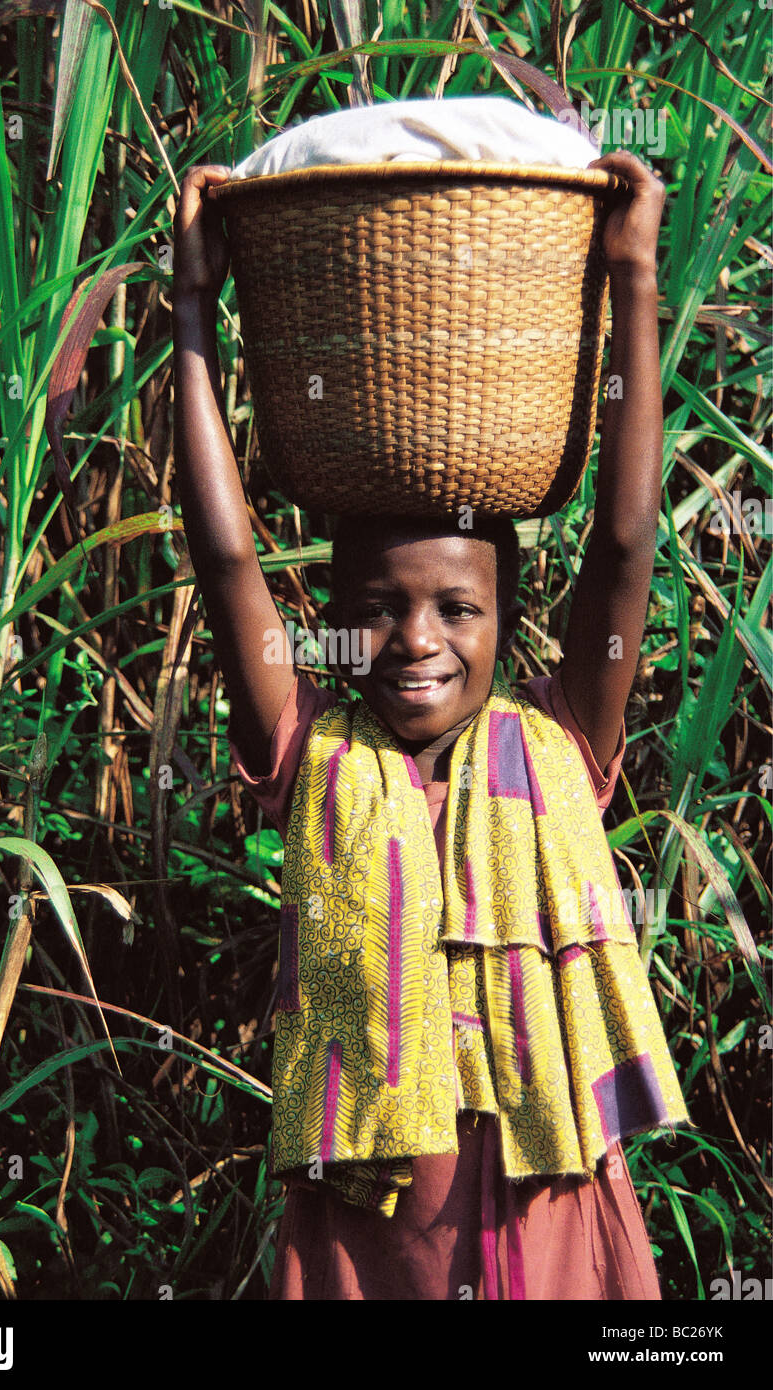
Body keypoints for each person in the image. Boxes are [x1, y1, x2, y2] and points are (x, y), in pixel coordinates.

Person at [172, 147, 689, 1300]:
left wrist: (630, 280)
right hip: (374, 1228)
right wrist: (194, 304)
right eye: (374, 609)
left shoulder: (559, 734)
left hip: (549, 1205)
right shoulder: (312, 753)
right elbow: (224, 556)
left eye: (456, 607)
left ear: (505, 617)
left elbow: (620, 544)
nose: (415, 640)